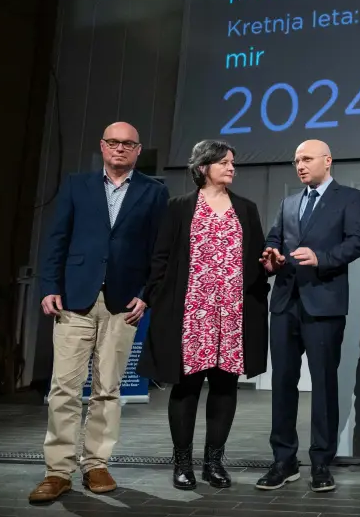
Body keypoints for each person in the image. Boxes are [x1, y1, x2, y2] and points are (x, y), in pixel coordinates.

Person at [29, 122, 169, 504]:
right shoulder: (78, 185)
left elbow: (160, 251)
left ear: (138, 150)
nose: (119, 149)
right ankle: (58, 471)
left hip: (123, 304)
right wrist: (49, 286)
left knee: (108, 389)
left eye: (127, 144)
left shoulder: (154, 192)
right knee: (64, 387)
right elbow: (57, 238)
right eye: (113, 142)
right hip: (75, 297)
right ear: (102, 146)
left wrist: (146, 295)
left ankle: (96, 464)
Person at [138, 140, 270, 490]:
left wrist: (268, 268)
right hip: (191, 313)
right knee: (186, 387)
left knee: (225, 385)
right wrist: (154, 297)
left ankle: (214, 462)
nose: (231, 168)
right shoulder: (180, 207)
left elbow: (257, 261)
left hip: (232, 312)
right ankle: (182, 463)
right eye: (224, 162)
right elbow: (161, 258)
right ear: (202, 168)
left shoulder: (246, 208)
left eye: (232, 163)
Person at [256, 139, 360, 493]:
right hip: (285, 304)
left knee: (322, 385)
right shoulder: (289, 203)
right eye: (296, 161)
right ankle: (283, 460)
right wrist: (271, 259)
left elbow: (357, 242)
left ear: (327, 161)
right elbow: (274, 240)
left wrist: (322, 258)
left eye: (306, 159)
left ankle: (321, 462)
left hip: (324, 303)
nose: (300, 165)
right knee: (283, 385)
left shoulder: (350, 198)